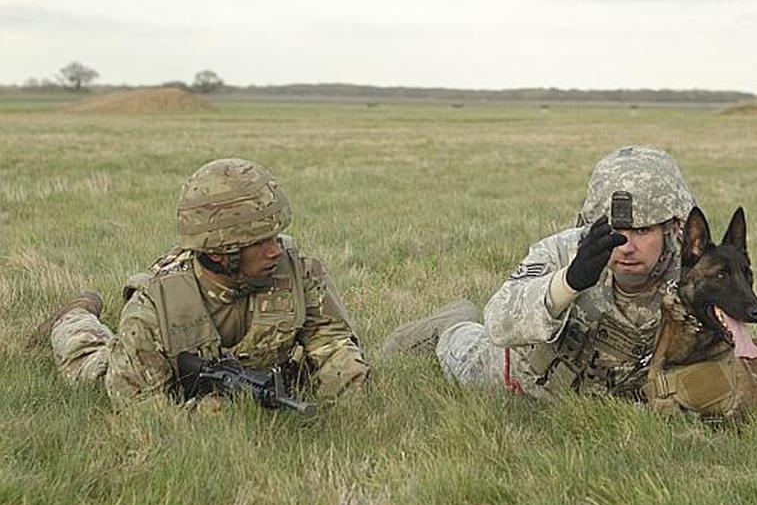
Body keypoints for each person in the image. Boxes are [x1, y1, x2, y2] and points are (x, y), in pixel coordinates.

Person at [40, 158, 369, 410]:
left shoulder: (299, 274)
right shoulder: (155, 307)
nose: (275, 250)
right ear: (222, 252)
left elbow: (332, 344)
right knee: (92, 368)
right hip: (160, 373)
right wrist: (204, 415)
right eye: (260, 242)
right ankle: (74, 316)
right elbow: (138, 410)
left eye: (275, 237)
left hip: (254, 373)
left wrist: (349, 398)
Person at [383, 146, 695, 400]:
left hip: (607, 396)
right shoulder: (565, 252)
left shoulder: (696, 274)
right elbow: (499, 322)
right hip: (524, 382)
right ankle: (450, 324)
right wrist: (568, 283)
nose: (626, 246)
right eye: (616, 230)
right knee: (462, 348)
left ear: (673, 228)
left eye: (642, 230)